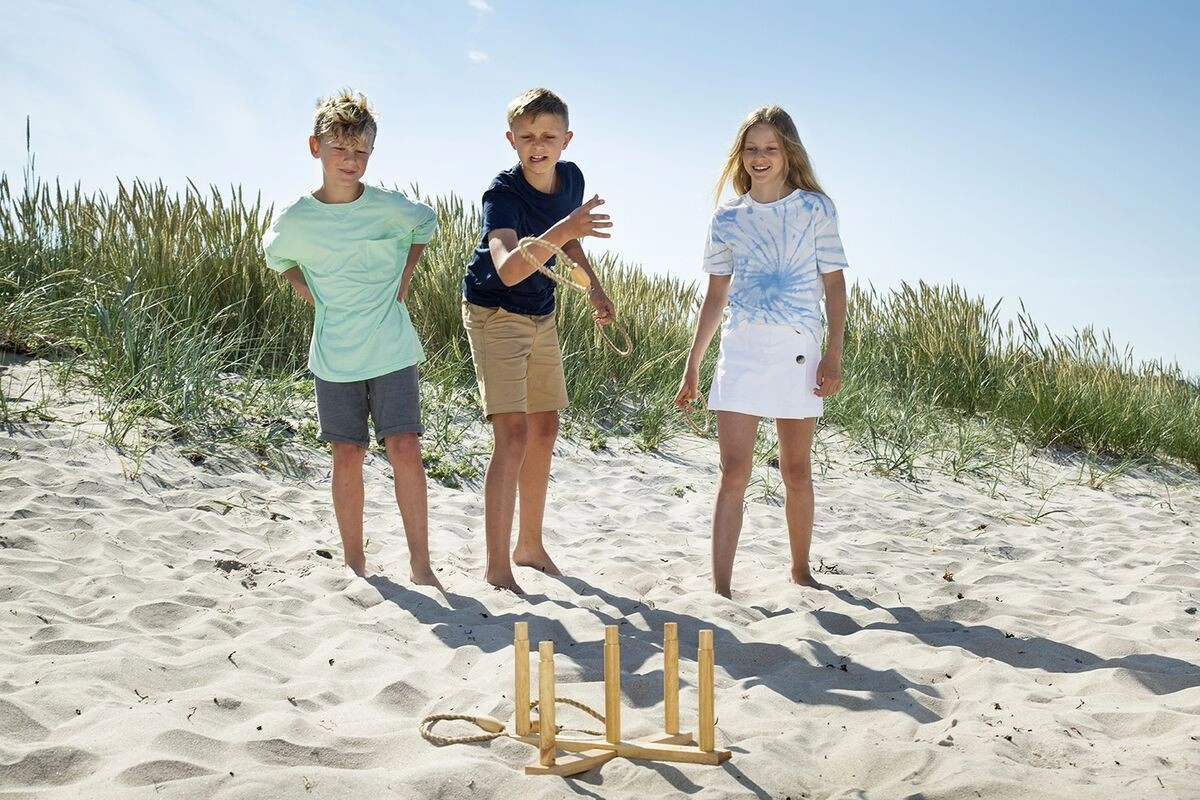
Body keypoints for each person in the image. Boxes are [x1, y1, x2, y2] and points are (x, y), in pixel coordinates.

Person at [262, 89, 441, 587]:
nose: (350, 159)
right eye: (339, 148)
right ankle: (355, 563)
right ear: (315, 147)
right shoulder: (296, 219)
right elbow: (277, 257)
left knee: (404, 447)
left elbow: (426, 223)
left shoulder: (388, 207)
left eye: (361, 150)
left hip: (391, 347)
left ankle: (421, 564)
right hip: (335, 355)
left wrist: (406, 274)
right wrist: (311, 294)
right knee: (347, 454)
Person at [675, 106, 848, 598]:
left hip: (798, 352)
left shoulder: (816, 209)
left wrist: (833, 354)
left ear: (788, 152)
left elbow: (835, 287)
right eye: (751, 148)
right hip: (741, 351)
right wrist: (693, 363)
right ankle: (721, 589)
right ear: (741, 154)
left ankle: (800, 571)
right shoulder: (727, 217)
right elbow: (715, 295)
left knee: (795, 470)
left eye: (770, 148)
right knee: (733, 473)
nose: (760, 157)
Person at [462, 87, 616, 593]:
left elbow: (568, 243)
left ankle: (528, 546)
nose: (538, 145)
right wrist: (566, 227)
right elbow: (508, 269)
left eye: (549, 136)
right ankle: (496, 566)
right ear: (511, 140)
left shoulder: (571, 180)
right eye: (527, 136)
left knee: (545, 428)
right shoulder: (501, 195)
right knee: (512, 436)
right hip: (495, 311)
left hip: (540, 311)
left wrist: (594, 288)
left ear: (566, 140)